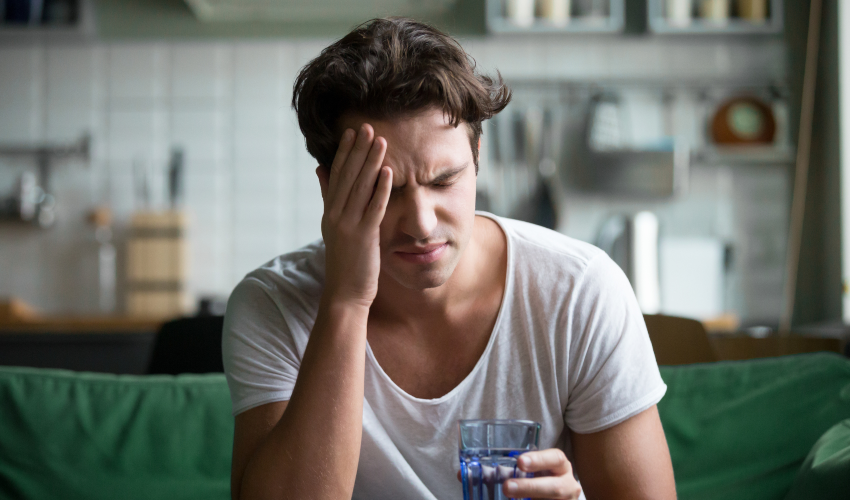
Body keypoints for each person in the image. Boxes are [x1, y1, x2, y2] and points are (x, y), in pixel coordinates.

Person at [222, 17, 677, 500]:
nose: (420, 222)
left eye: (444, 181)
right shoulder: (272, 304)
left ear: (477, 156)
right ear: (330, 189)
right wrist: (347, 300)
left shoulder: (581, 291)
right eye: (384, 190)